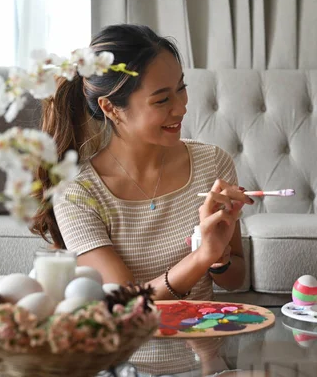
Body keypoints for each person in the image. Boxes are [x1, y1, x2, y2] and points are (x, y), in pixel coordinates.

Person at [30, 23, 252, 301]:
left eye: (181, 88)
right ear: (110, 108)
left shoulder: (213, 163)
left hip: (202, 342)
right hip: (127, 344)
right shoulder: (78, 192)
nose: (181, 107)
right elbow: (127, 300)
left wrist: (220, 259)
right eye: (161, 100)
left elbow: (235, 279)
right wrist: (202, 255)